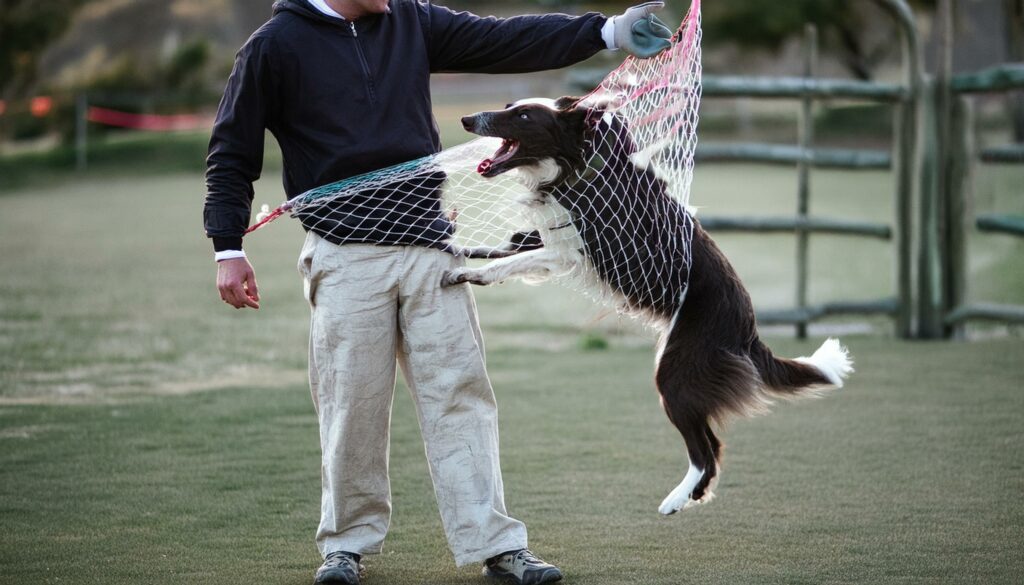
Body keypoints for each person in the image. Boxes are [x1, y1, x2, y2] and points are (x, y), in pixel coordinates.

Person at [204, 1, 671, 584]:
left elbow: (505, 40)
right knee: (352, 408)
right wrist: (228, 246)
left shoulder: (410, 21)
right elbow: (231, 151)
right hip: (346, 259)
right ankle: (344, 548)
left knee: (461, 397)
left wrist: (607, 31)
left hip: (431, 249)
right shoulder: (274, 46)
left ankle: (498, 548)